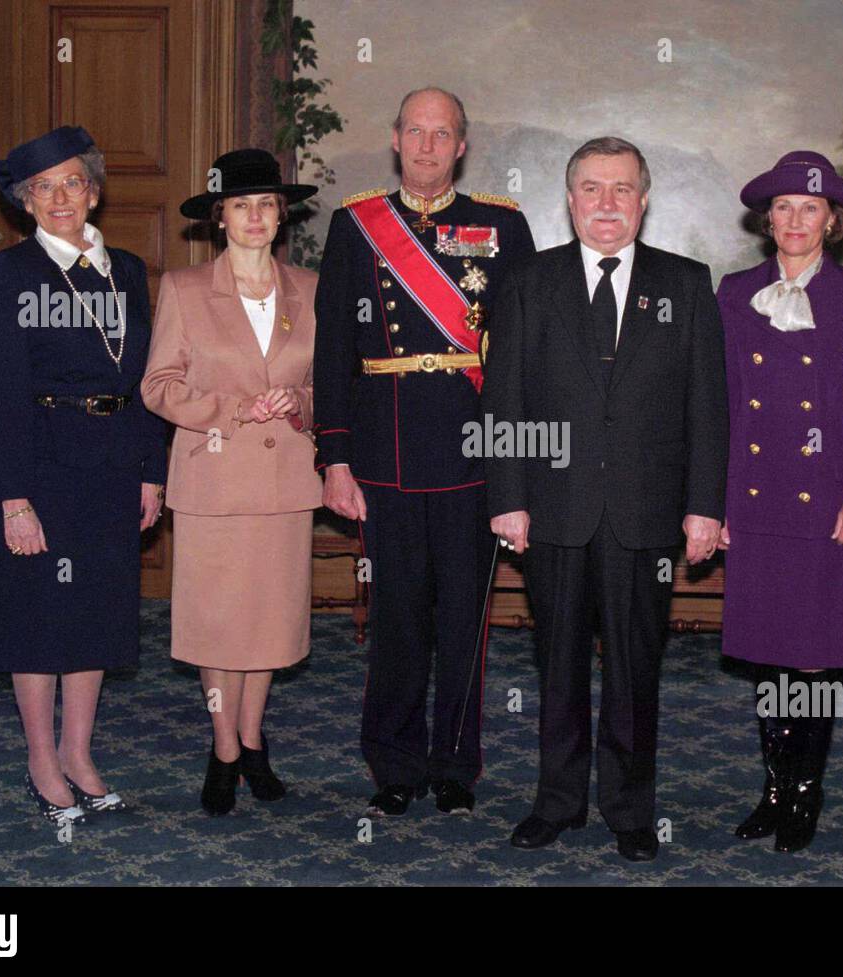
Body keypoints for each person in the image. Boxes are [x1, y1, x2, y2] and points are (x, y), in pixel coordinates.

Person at [483, 136, 728, 862]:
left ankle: (629, 806)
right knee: (556, 665)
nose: (607, 204)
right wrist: (508, 497)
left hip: (644, 513)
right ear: (569, 199)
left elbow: (708, 408)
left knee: (633, 666)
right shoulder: (530, 281)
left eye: (622, 189)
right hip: (553, 510)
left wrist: (705, 505)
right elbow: (506, 400)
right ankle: (556, 800)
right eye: (592, 188)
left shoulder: (686, 284)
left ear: (644, 200)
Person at [313, 88, 536, 817]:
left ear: (462, 146)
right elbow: (333, 351)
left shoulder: (502, 226)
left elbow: (523, 356)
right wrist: (334, 458)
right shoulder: (355, 227)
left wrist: (516, 465)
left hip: (474, 453)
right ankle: (393, 761)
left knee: (465, 619)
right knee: (397, 619)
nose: (429, 145)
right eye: (417, 131)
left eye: (443, 134)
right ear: (395, 138)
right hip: (387, 454)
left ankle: (456, 767)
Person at [0, 126, 167, 826]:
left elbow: (146, 377)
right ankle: (40, 757)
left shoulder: (127, 268)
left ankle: (80, 754)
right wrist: (14, 496)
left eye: (73, 183)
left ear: (94, 189)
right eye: (44, 188)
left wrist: (152, 470)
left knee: (96, 611)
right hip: (44, 463)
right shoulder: (13, 272)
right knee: (38, 614)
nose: (61, 197)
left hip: (116, 462)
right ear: (27, 202)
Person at [716, 150, 843, 852]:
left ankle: (804, 791)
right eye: (784, 207)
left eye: (810, 208)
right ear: (769, 218)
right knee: (766, 651)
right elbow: (723, 403)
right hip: (756, 499)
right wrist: (717, 500)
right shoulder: (734, 292)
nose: (796, 219)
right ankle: (771, 786)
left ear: (833, 220)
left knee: (814, 654)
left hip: (827, 501)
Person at [141, 149, 322, 816]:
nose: (255, 216)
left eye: (267, 204)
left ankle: (253, 739)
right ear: (220, 218)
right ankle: (223, 748)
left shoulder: (310, 287)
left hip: (284, 483)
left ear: (282, 216)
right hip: (213, 482)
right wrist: (233, 408)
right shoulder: (185, 290)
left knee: (269, 623)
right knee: (219, 625)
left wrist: (299, 405)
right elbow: (157, 386)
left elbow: (325, 385)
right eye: (241, 205)